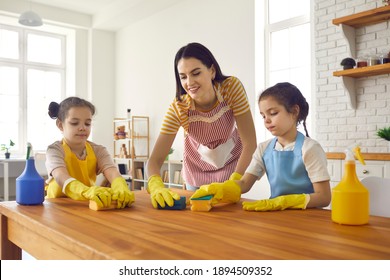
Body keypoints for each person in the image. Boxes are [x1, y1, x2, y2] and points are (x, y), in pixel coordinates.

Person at [146, 42, 257, 208]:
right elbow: (154, 160)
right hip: (196, 174)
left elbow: (250, 143)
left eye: (196, 73)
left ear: (212, 71)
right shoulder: (179, 108)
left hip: (232, 169)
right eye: (183, 76)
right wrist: (155, 186)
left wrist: (235, 181)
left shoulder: (231, 88)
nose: (189, 82)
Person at [191, 82, 331, 211]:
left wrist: (284, 201)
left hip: (309, 217)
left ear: (294, 111)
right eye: (263, 116)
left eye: (273, 113)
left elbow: (324, 197)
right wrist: (222, 188)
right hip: (276, 215)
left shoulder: (310, 148)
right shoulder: (264, 149)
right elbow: (245, 183)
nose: (267, 120)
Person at [45, 97, 135, 209]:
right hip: (57, 207)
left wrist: (120, 185)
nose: (82, 128)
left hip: (86, 206)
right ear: (60, 125)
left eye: (87, 124)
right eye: (74, 123)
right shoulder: (54, 150)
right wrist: (85, 191)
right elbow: (60, 176)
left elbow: (112, 172)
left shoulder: (99, 150)